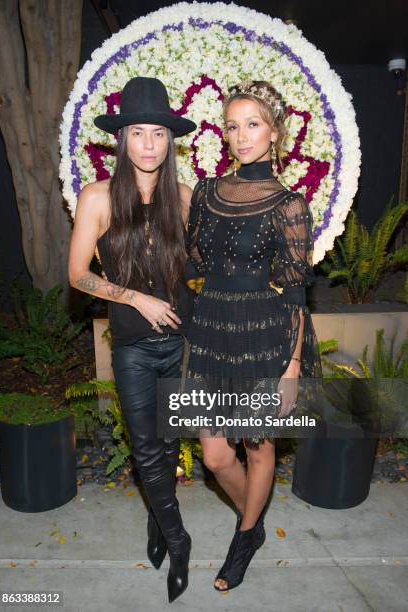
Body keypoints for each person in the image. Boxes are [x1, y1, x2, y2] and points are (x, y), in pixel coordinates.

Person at [185, 79, 322, 592]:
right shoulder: (205, 191)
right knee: (216, 452)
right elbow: (195, 260)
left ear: (274, 132)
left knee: (258, 445)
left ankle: (243, 539)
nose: (241, 136)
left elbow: (294, 296)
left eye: (253, 124)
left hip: (265, 332)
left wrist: (290, 371)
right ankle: (255, 518)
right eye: (232, 126)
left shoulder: (290, 204)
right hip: (213, 329)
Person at [68, 76, 197, 603]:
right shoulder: (97, 196)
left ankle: (156, 523)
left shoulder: (185, 197)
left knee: (168, 446)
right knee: (146, 449)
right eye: (138, 133)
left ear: (170, 140)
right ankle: (180, 538)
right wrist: (134, 297)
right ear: (122, 139)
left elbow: (204, 267)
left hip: (181, 346)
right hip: (133, 349)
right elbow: (77, 274)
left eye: (158, 134)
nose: (148, 144)